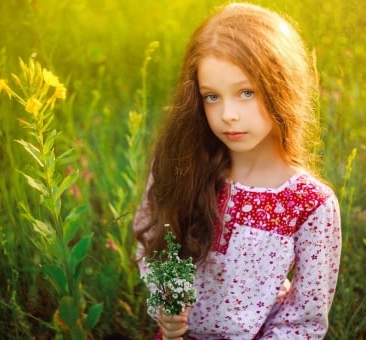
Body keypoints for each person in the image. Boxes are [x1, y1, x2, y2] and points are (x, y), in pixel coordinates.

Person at [133, 2, 341, 339]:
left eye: (246, 93)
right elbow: (151, 236)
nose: (228, 113)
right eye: (212, 97)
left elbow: (304, 318)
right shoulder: (182, 164)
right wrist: (166, 305)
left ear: (281, 88)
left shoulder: (310, 204)